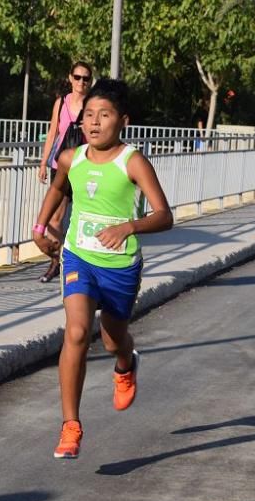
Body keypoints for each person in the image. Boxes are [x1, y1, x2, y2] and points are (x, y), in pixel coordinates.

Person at [32, 78, 173, 459]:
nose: (94, 123)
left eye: (104, 115)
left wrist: (129, 226)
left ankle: (126, 363)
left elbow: (165, 216)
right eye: (89, 115)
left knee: (112, 340)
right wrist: (40, 227)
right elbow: (59, 188)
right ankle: (70, 425)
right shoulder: (71, 158)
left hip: (120, 266)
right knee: (76, 332)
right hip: (79, 257)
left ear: (122, 120)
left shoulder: (133, 161)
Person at [37, 61, 93, 283]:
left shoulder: (92, 104)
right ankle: (57, 261)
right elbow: (52, 133)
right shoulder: (61, 103)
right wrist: (43, 163)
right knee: (55, 217)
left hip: (83, 165)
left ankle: (74, 261)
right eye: (77, 77)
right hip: (59, 165)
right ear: (70, 78)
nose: (81, 82)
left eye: (86, 78)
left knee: (82, 216)